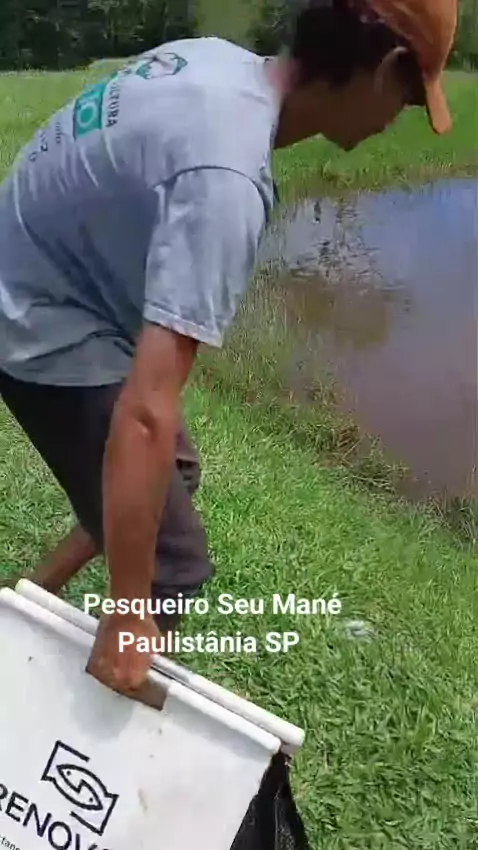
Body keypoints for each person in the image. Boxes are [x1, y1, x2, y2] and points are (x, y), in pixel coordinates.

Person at [0, 0, 457, 698]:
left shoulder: (218, 63)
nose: (398, 119)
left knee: (171, 475)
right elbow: (145, 413)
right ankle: (69, 715)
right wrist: (130, 609)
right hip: (35, 318)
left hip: (34, 270)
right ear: (385, 67)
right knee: (169, 563)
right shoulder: (227, 178)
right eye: (410, 97)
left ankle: (28, 601)